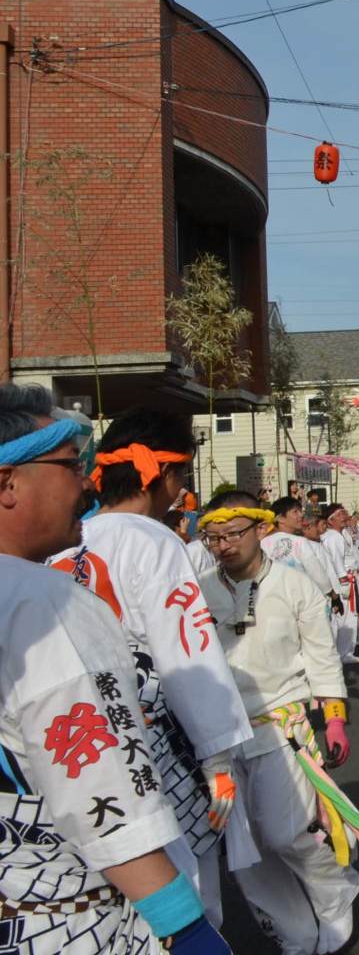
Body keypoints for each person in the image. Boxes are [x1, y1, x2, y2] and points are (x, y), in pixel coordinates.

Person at [0, 386, 231, 953]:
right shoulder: (44, 599)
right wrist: (185, 925)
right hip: (69, 906)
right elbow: (97, 784)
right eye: (69, 466)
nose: (86, 483)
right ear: (7, 483)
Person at [48, 408, 255, 927]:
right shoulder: (154, 540)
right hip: (151, 740)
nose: (181, 492)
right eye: (181, 477)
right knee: (186, 883)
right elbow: (188, 655)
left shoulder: (58, 543)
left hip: (76, 743)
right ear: (162, 474)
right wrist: (218, 759)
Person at [196, 490, 359, 953]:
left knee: (284, 831)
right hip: (219, 736)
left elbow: (322, 657)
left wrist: (334, 718)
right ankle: (295, 933)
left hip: (282, 725)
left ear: (260, 529)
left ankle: (336, 893)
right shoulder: (196, 591)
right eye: (214, 538)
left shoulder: (295, 586)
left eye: (234, 534)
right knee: (244, 850)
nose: (224, 545)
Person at [318, 503, 359, 665]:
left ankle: (345, 650)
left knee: (348, 616)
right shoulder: (333, 537)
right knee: (345, 617)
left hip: (348, 576)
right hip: (343, 580)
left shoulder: (342, 533)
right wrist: (343, 580)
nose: (344, 517)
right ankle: (344, 653)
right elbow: (336, 561)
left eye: (344, 513)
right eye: (340, 515)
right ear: (330, 520)